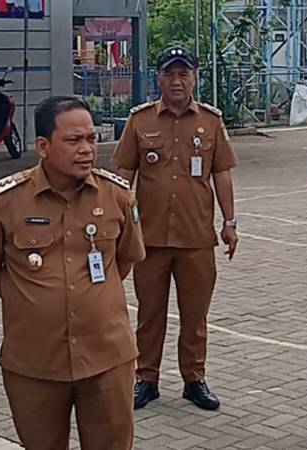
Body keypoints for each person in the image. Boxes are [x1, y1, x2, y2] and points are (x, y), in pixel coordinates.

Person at [0, 96, 145, 450]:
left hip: (106, 358)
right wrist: (29, 297)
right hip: (35, 363)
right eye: (73, 140)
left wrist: (89, 297)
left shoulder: (117, 195)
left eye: (91, 139)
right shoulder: (6, 199)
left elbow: (125, 260)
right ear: (43, 146)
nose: (86, 149)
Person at [112, 45, 239, 411]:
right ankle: (145, 379)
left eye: (184, 73)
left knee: (195, 316)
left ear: (195, 77)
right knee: (149, 315)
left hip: (196, 238)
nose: (177, 81)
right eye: (169, 73)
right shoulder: (140, 120)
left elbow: (221, 174)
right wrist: (118, 223)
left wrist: (229, 223)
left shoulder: (211, 121)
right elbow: (124, 175)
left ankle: (194, 379)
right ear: (159, 78)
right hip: (149, 238)